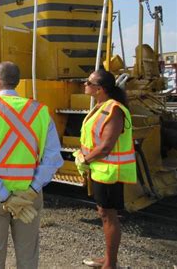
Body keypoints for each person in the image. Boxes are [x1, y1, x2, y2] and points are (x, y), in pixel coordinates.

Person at [0, 61, 64, 269]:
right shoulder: (40, 112)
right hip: (28, 198)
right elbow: (53, 158)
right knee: (28, 258)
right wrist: (31, 191)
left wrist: (4, 196)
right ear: (17, 82)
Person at [75, 69, 136, 269]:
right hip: (101, 170)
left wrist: (85, 159)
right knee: (104, 213)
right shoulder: (102, 106)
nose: (85, 84)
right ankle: (109, 259)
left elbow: (106, 146)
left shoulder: (114, 110)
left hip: (110, 172)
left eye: (88, 82)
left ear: (99, 88)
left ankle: (110, 264)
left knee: (108, 216)